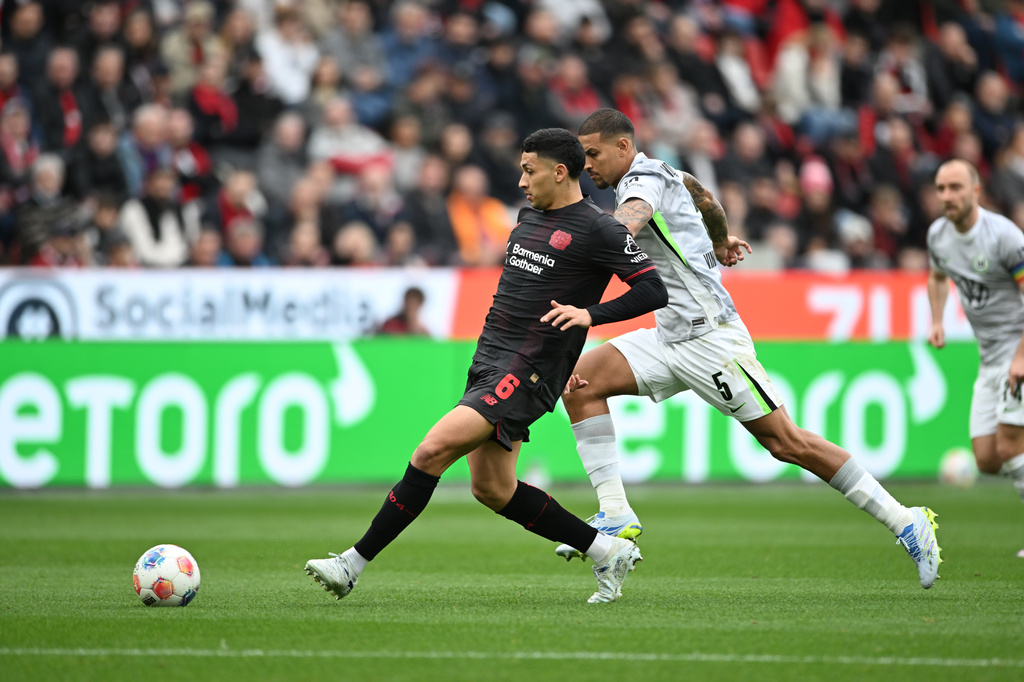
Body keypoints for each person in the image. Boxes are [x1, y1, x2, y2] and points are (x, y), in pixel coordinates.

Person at [555, 108, 942, 589]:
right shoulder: (664, 172)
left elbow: (625, 225)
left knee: (786, 442)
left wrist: (575, 253)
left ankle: (907, 522)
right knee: (580, 386)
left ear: (623, 147)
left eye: (593, 154)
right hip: (669, 335)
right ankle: (615, 513)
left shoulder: (640, 184)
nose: (586, 164)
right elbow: (701, 192)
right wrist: (719, 239)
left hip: (711, 340)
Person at [305, 127, 668, 604]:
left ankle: (351, 564)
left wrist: (588, 317)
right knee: (493, 488)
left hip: (526, 371)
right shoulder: (526, 217)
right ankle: (606, 552)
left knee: (431, 452)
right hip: (490, 359)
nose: (521, 181)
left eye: (529, 170)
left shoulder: (600, 228)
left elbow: (652, 290)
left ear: (560, 172)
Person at [927, 159, 1024, 558]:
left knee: (1010, 444)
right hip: (989, 358)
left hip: (1017, 350)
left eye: (955, 188)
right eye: (940, 188)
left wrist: (1021, 356)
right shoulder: (938, 236)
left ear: (976, 191)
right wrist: (937, 321)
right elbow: (936, 276)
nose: (947, 196)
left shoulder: (1003, 236)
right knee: (986, 457)